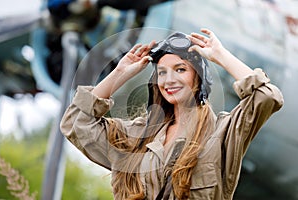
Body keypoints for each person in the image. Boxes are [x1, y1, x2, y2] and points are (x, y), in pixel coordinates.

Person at [60, 28, 284, 200]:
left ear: (198, 77)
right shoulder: (136, 136)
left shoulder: (223, 134)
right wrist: (118, 73)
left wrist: (220, 56)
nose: (169, 80)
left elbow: (267, 96)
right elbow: (76, 122)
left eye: (180, 69)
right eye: (162, 73)